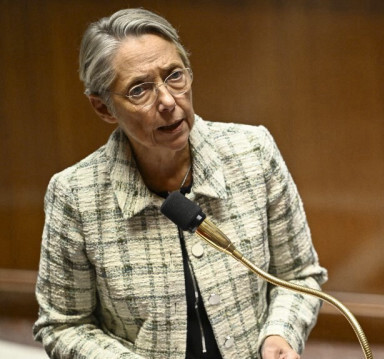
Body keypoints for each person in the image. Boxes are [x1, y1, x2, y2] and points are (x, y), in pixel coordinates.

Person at [33, 8, 327, 359]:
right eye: (140, 90)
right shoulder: (75, 195)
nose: (169, 102)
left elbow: (298, 275)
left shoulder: (253, 153)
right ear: (104, 108)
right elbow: (63, 324)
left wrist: (281, 334)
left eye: (174, 76)